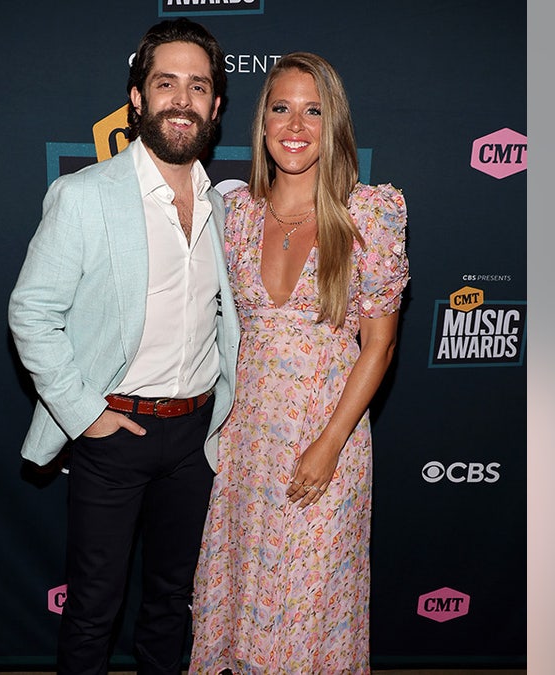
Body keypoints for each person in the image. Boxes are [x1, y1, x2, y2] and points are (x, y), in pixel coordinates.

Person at [7, 18, 239, 675]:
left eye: (199, 86)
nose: (182, 99)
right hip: (115, 432)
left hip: (197, 437)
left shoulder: (229, 208)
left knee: (173, 604)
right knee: (94, 608)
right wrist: (86, 415)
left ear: (217, 106)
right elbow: (31, 311)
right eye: (166, 83)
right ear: (136, 98)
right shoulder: (85, 197)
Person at [190, 52, 409, 673]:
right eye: (281, 108)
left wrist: (329, 444)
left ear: (333, 125)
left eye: (314, 111)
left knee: (311, 609)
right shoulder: (235, 217)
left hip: (328, 440)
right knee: (243, 601)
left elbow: (381, 344)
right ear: (261, 124)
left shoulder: (369, 214)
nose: (296, 124)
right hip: (246, 442)